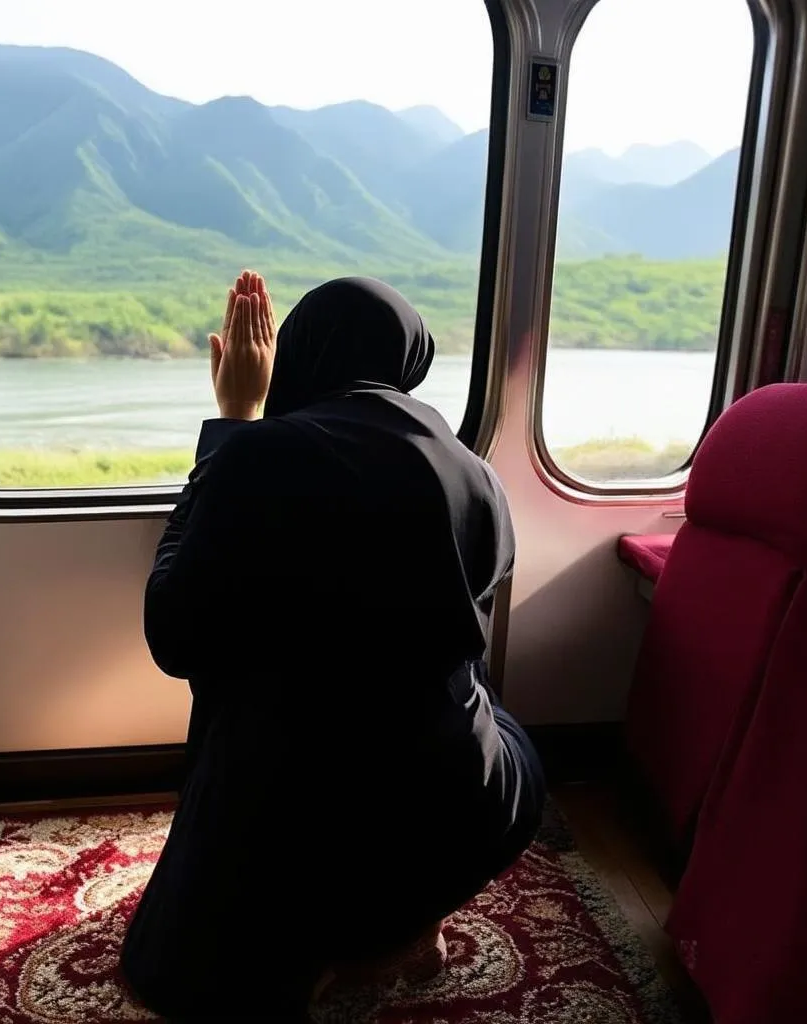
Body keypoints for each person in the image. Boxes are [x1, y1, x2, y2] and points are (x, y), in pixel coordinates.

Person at [119, 271, 545, 1022]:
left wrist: (231, 425)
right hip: (460, 812)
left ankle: (317, 944)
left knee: (254, 679)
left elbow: (173, 636)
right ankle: (407, 921)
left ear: (298, 359)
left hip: (290, 839)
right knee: (461, 674)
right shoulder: (479, 478)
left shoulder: (258, 458)